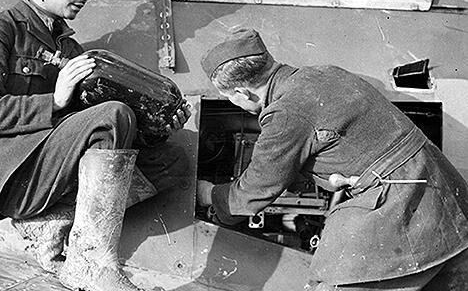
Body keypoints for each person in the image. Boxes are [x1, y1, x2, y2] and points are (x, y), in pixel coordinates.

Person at [0, 0, 190, 291]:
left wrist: (158, 127)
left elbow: (103, 134)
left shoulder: (69, 46)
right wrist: (56, 100)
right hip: (12, 171)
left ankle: (53, 224)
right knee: (112, 115)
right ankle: (90, 263)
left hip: (50, 164)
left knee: (171, 160)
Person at [196, 28, 468, 291]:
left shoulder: (284, 113)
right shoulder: (325, 72)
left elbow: (252, 194)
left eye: (229, 97)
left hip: (401, 204)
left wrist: (209, 195)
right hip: (448, 196)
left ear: (243, 93)